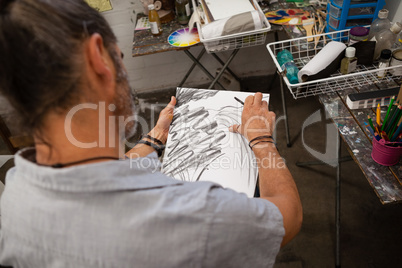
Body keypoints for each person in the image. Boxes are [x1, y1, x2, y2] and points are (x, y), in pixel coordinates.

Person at [0, 0, 302, 267]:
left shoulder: (14, 198)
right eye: (118, 56)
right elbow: (287, 218)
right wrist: (261, 140)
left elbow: (95, 176)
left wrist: (154, 138)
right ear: (99, 60)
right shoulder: (195, 214)